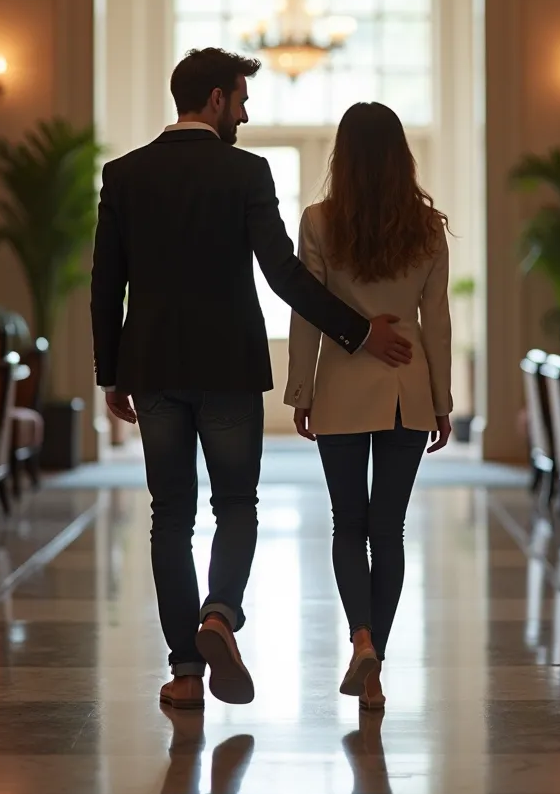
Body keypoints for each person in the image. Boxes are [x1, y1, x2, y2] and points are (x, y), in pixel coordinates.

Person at [91, 49, 413, 711]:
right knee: (236, 505)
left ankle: (185, 672)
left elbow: (105, 285)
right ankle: (220, 615)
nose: (245, 111)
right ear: (213, 100)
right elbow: (285, 277)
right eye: (239, 99)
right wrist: (359, 331)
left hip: (151, 369)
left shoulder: (123, 174)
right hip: (230, 370)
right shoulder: (245, 172)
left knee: (169, 516)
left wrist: (110, 371)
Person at [285, 101, 452, 711]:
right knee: (389, 530)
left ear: (343, 157)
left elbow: (307, 313)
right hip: (409, 389)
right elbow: (437, 324)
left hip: (343, 389)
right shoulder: (427, 227)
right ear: (401, 156)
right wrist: (442, 402)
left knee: (347, 525)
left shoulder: (320, 222)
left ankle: (360, 639)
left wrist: (301, 391)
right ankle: (375, 662)